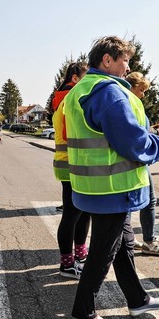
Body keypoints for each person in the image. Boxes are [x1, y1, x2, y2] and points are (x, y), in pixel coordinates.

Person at [66, 36, 159, 319]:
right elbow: (131, 141)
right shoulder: (108, 91)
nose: (128, 67)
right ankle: (83, 313)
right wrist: (157, 144)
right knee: (104, 250)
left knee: (123, 244)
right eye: (125, 61)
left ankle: (137, 299)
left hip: (96, 186)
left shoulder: (82, 88)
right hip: (113, 186)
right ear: (107, 60)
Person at [51, 61, 90, 278]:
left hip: (72, 162)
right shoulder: (70, 98)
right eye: (87, 76)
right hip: (71, 163)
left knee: (82, 212)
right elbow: (72, 134)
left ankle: (80, 255)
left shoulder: (65, 97)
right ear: (75, 78)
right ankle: (67, 264)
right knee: (72, 213)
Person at [125, 71, 159, 255]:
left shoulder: (128, 102)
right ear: (132, 87)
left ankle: (130, 238)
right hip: (136, 159)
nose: (143, 95)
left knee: (139, 201)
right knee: (145, 201)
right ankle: (148, 240)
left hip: (136, 160)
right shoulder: (129, 102)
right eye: (141, 90)